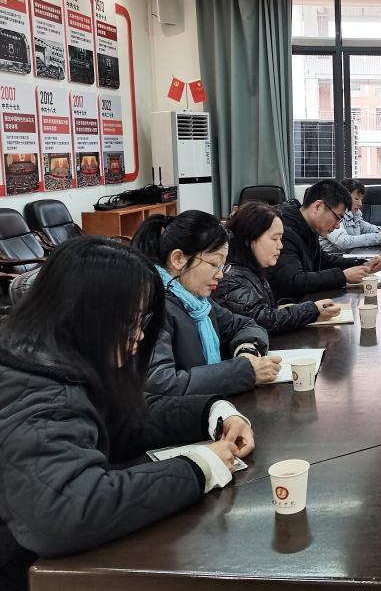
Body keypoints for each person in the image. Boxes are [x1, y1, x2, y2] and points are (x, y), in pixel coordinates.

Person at [0, 237, 254, 590]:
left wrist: (212, 412)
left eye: (142, 319)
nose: (140, 335)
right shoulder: (39, 392)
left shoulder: (53, 356)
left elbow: (123, 419)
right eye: (131, 320)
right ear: (87, 314)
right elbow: (64, 512)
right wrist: (200, 467)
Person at [133, 210, 277, 396]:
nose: (220, 274)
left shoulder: (198, 303)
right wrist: (244, 372)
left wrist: (246, 350)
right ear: (178, 259)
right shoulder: (154, 308)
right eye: (214, 264)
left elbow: (246, 325)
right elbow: (163, 384)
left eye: (222, 266)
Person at [214, 202, 343, 334]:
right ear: (250, 239)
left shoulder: (253, 269)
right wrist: (312, 310)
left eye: (280, 239)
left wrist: (289, 308)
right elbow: (262, 320)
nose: (280, 245)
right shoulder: (232, 279)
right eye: (274, 238)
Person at [268, 180, 381, 301]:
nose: (337, 226)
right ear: (318, 206)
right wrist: (343, 276)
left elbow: (322, 261)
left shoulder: (307, 227)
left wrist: (361, 264)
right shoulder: (284, 231)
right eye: (337, 218)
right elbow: (293, 281)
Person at [323, 179, 381, 251]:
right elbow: (343, 242)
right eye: (356, 199)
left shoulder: (353, 215)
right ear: (343, 197)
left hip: (349, 256)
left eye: (361, 200)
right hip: (332, 258)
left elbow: (368, 228)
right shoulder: (334, 215)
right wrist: (379, 237)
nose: (360, 204)